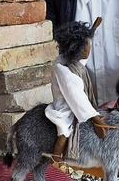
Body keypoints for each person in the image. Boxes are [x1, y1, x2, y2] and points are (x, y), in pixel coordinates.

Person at [45, 18, 107, 165]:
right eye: (86, 48)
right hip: (65, 104)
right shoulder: (63, 70)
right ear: (76, 49)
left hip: (73, 99)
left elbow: (82, 59)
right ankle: (57, 158)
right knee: (65, 128)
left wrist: (92, 30)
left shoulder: (71, 61)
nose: (89, 49)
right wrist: (95, 118)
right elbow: (78, 98)